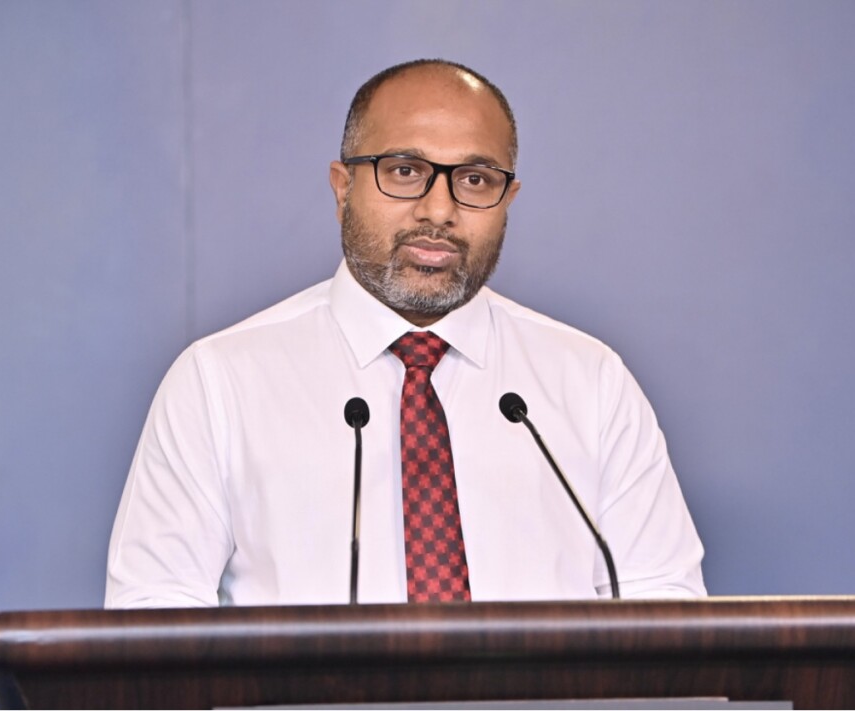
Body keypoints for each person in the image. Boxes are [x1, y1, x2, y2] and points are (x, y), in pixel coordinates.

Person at [105, 59, 705, 608]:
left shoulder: (590, 381)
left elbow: (665, 610)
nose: (438, 210)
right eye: (405, 171)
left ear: (508, 199)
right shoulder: (219, 382)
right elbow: (153, 621)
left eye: (475, 180)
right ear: (343, 187)